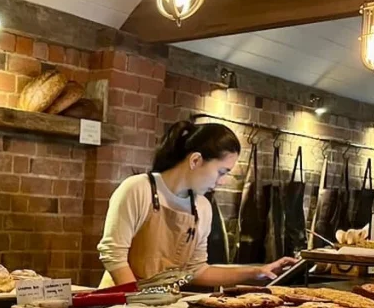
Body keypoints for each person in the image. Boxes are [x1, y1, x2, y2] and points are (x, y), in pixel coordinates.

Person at [98, 120, 296, 288]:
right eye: (222, 172)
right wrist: (137, 302)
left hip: (164, 306)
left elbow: (197, 270)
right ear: (195, 160)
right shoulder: (138, 189)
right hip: (120, 305)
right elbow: (114, 255)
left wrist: (258, 272)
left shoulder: (202, 207)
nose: (223, 181)